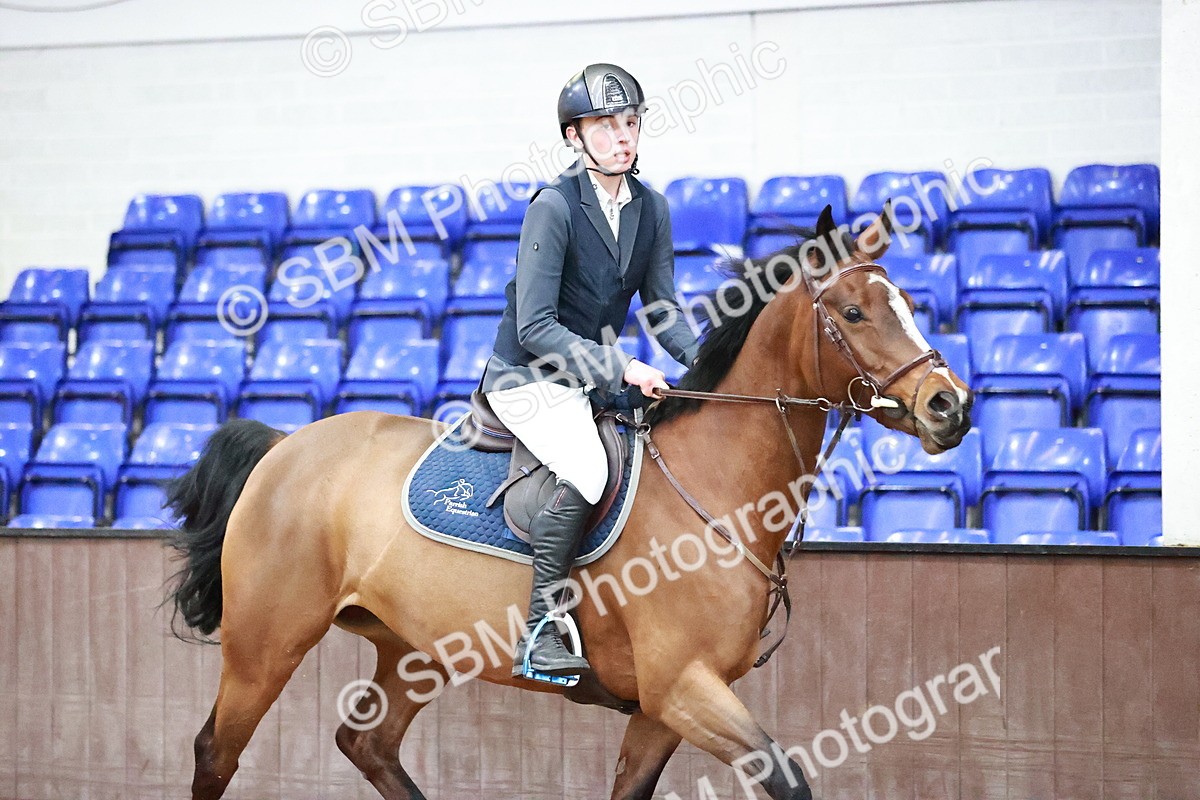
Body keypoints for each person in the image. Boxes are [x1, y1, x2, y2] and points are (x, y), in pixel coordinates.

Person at [480, 63, 700, 678]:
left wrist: (709, 360)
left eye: (630, 122)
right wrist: (621, 365)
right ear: (575, 137)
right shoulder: (552, 207)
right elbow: (535, 326)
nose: (623, 136)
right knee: (587, 465)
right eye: (606, 125)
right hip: (528, 377)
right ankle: (543, 627)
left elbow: (661, 307)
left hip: (591, 376)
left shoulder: (651, 207)